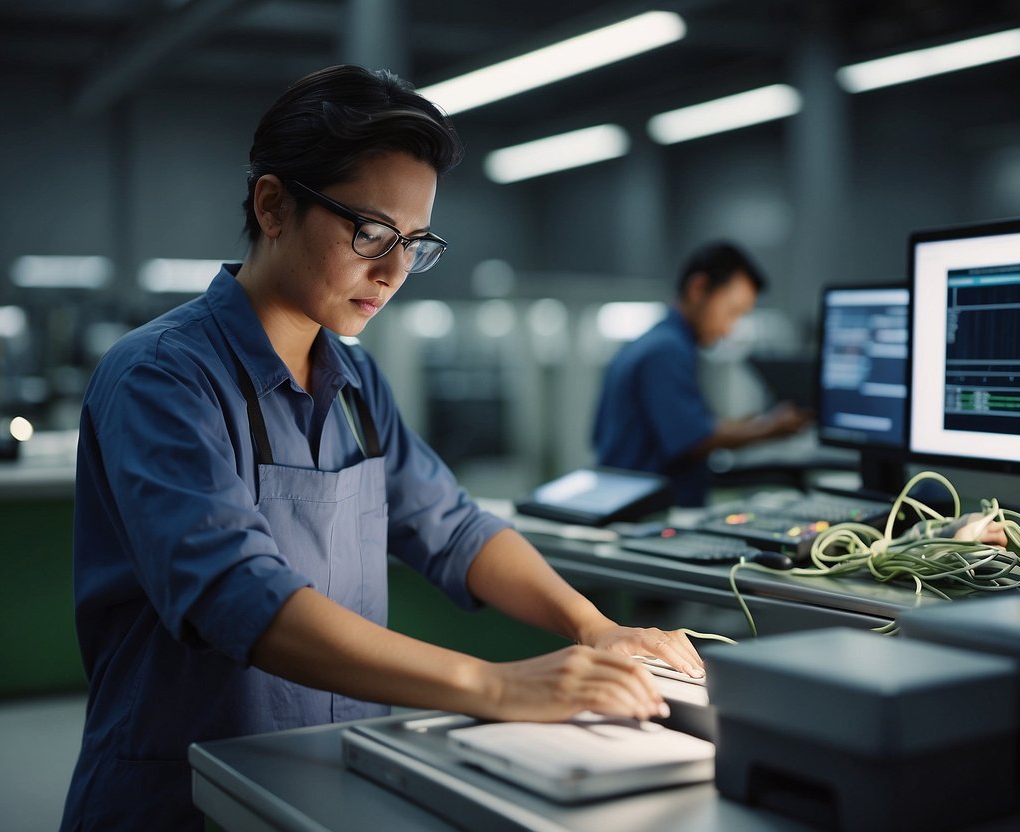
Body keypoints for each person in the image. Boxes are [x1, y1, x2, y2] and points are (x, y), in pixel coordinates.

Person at [59, 65, 704, 831]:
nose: (395, 271)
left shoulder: (355, 379)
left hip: (333, 777)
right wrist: (497, 687)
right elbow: (238, 596)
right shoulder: (161, 378)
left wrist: (594, 625)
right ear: (273, 205)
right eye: (369, 233)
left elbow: (455, 529)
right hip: (183, 794)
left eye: (415, 243)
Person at [592, 242, 810, 507]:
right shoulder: (667, 350)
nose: (729, 330)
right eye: (731, 312)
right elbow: (692, 438)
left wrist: (743, 424)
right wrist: (771, 428)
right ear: (698, 288)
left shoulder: (647, 342)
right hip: (650, 514)